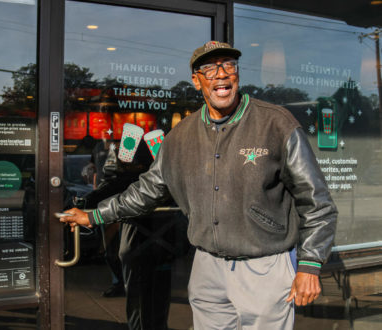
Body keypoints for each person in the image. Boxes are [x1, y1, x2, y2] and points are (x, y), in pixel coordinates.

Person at [59, 41, 338, 329]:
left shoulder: (276, 124)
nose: (221, 74)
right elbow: (146, 192)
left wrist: (310, 264)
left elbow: (317, 202)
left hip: (263, 266)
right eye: (209, 68)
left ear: (237, 74)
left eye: (228, 65)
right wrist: (94, 214)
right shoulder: (180, 137)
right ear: (196, 80)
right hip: (206, 268)